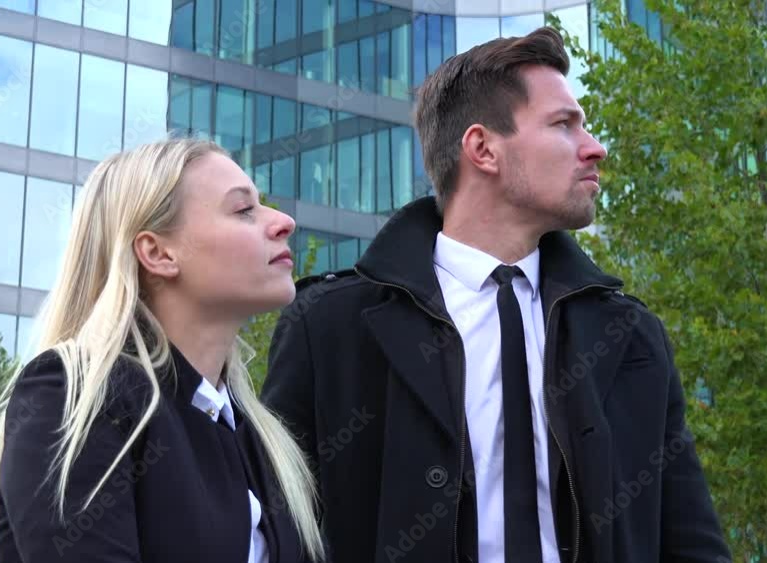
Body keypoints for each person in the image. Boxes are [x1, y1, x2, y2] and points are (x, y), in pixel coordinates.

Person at [262, 27, 731, 563]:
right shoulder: (330, 326)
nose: (594, 147)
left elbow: (690, 541)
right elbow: (283, 533)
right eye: (563, 124)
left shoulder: (631, 336)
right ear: (483, 148)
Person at [0, 138, 325, 562]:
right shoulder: (75, 395)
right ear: (157, 253)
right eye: (243, 209)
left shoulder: (264, 440)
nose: (284, 221)